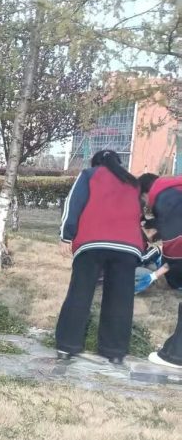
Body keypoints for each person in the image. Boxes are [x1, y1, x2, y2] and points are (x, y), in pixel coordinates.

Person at [55, 150, 149, 364]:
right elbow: (137, 215)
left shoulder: (89, 175)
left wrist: (66, 236)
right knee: (120, 300)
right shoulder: (133, 182)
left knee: (79, 294)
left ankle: (66, 347)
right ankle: (114, 352)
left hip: (93, 243)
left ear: (96, 163)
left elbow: (73, 205)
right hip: (128, 247)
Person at [136, 173, 182, 368]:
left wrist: (169, 268)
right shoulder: (174, 189)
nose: (146, 207)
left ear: (146, 193)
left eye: (143, 200)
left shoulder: (163, 196)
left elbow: (175, 242)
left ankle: (175, 355)